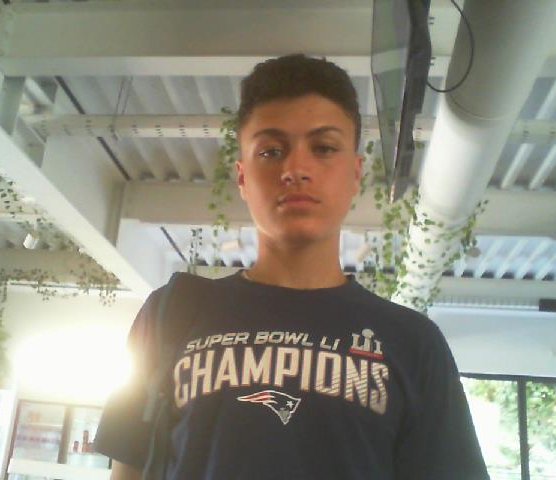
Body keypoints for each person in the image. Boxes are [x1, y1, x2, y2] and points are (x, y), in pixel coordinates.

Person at [95, 54, 490, 480]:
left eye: (324, 148)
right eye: (271, 151)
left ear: (356, 173)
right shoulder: (172, 312)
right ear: (242, 177)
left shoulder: (413, 344)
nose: (295, 169)